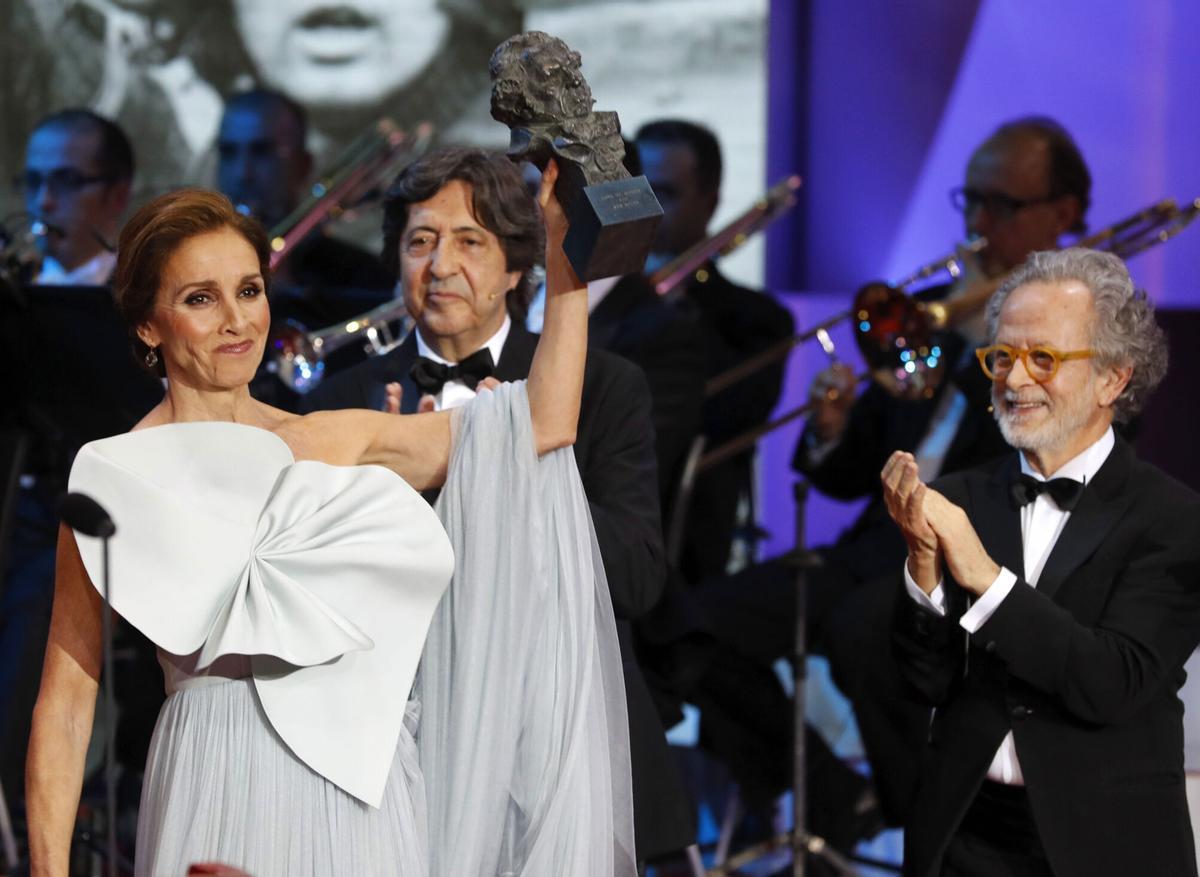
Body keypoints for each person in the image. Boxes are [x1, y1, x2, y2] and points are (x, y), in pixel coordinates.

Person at [26, 161, 636, 875]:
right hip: (217, 778)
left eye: (249, 290)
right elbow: (68, 701)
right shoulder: (113, 474)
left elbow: (543, 422)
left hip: (366, 786)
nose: (236, 320)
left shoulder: (330, 436)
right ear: (147, 324)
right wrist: (48, 869)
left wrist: (566, 263)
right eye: (201, 297)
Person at [693, 116, 1094, 827]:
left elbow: (1052, 462)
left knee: (862, 630)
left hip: (985, 563)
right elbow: (851, 475)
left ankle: (934, 831)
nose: (976, 222)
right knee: (698, 624)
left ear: (1063, 213)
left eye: (1000, 204)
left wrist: (991, 340)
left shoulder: (1085, 331)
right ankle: (839, 802)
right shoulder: (937, 323)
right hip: (875, 553)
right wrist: (832, 430)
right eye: (969, 200)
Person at [304, 147, 696, 864]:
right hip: (395, 754)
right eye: (419, 241)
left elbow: (638, 578)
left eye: (469, 241)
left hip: (559, 747)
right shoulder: (340, 399)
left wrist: (517, 478)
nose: (440, 265)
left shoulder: (599, 386)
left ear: (518, 268)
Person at [884, 246, 1199, 877]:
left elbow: (1112, 682)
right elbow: (922, 686)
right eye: (1002, 356)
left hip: (1106, 842)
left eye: (1043, 358)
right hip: (964, 836)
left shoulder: (1174, 518)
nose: (1015, 380)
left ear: (1114, 377)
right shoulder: (960, 497)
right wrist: (923, 566)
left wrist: (986, 580)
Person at [635, 118, 795, 582]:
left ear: (710, 204)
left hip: (676, 540)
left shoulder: (756, 320)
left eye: (664, 193)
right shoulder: (585, 294)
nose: (645, 209)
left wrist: (674, 309)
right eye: (635, 190)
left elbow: (728, 415)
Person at [18, 108, 133, 286]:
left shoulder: (143, 296)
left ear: (118, 196)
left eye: (66, 181)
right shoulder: (14, 286)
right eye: (33, 181)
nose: (43, 202)